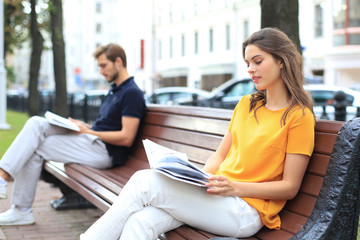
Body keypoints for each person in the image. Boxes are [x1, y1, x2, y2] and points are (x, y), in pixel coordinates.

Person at [80, 28, 315, 240]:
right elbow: (219, 156)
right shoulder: (246, 104)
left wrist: (235, 187)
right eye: (247, 63)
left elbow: (289, 186)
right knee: (140, 221)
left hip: (246, 210)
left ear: (281, 61)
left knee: (145, 183)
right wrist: (195, 179)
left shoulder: (298, 117)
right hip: (215, 196)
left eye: (257, 61)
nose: (250, 69)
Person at [0, 43, 147, 226]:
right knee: (35, 124)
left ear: (118, 61)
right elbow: (107, 126)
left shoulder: (132, 93)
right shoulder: (115, 90)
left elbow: (126, 137)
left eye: (103, 66)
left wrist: (89, 131)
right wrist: (83, 126)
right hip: (93, 141)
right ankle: (8, 186)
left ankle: (19, 206)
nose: (101, 71)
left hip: (105, 152)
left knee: (33, 146)